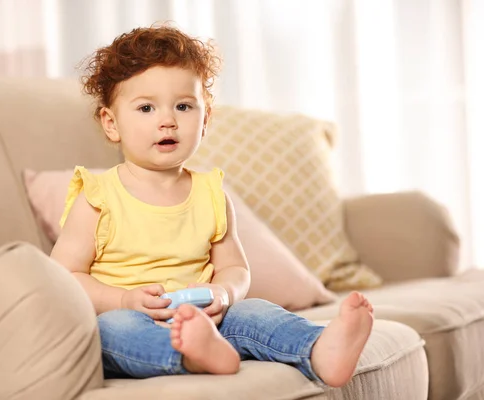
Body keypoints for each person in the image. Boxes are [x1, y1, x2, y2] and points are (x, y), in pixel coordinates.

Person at [50, 24, 374, 387]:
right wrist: (124, 299)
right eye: (146, 107)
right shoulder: (97, 195)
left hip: (206, 317)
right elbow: (65, 277)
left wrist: (224, 293)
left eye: (184, 106)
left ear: (204, 120)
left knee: (255, 312)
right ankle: (190, 355)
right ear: (112, 123)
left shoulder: (211, 193)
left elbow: (234, 267)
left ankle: (318, 348)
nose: (167, 120)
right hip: (130, 316)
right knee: (112, 331)